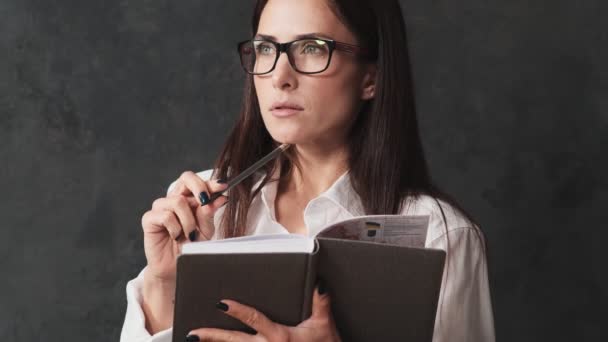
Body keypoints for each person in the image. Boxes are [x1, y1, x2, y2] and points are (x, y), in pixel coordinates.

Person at [120, 0, 496, 341]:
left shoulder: (440, 234)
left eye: (312, 48)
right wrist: (163, 283)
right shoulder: (201, 210)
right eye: (266, 48)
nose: (280, 76)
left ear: (371, 79)